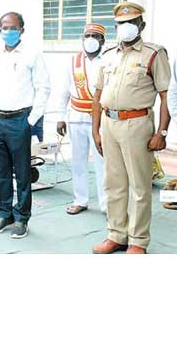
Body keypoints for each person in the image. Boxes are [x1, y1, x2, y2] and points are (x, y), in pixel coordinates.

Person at [91, 2, 171, 255]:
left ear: (141, 26)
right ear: (115, 26)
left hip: (137, 124)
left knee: (139, 185)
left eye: (132, 23)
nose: (126, 28)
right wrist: (96, 130)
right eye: (121, 24)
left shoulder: (154, 54)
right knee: (113, 183)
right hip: (109, 123)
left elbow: (167, 95)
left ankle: (138, 241)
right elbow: (98, 93)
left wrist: (162, 132)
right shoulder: (109, 54)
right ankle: (116, 235)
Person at [0, 12, 51, 239]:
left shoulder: (32, 55)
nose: (8, 31)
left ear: (22, 29)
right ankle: (4, 214)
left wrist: (31, 121)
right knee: (0, 172)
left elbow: (43, 88)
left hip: (20, 120)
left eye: (12, 27)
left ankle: (22, 218)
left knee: (22, 173)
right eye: (4, 27)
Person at [56, 23, 108, 215]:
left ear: (103, 40)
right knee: (78, 161)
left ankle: (106, 204)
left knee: (103, 162)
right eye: (87, 35)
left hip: (101, 119)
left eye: (95, 35)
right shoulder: (73, 61)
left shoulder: (109, 60)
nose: (91, 39)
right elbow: (63, 91)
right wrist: (60, 117)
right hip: (76, 116)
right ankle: (81, 200)